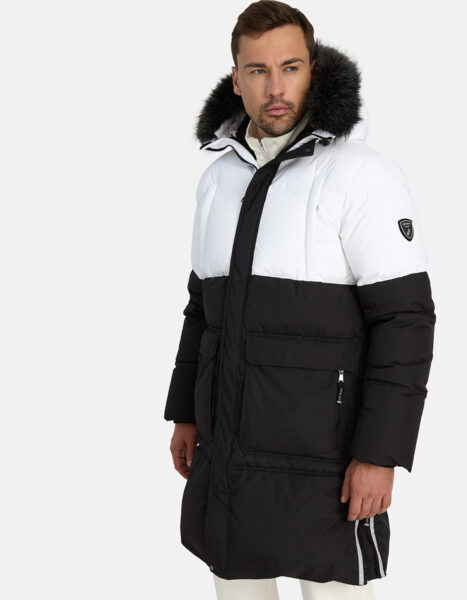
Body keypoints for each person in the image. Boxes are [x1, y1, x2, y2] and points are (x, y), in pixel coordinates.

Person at [164, 2, 436, 598]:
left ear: (313, 68)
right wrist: (185, 412)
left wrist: (381, 454)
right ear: (236, 79)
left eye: (290, 67)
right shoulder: (218, 179)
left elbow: (404, 321)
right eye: (258, 71)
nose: (275, 88)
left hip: (327, 459)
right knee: (235, 582)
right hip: (228, 449)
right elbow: (201, 309)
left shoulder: (363, 175)